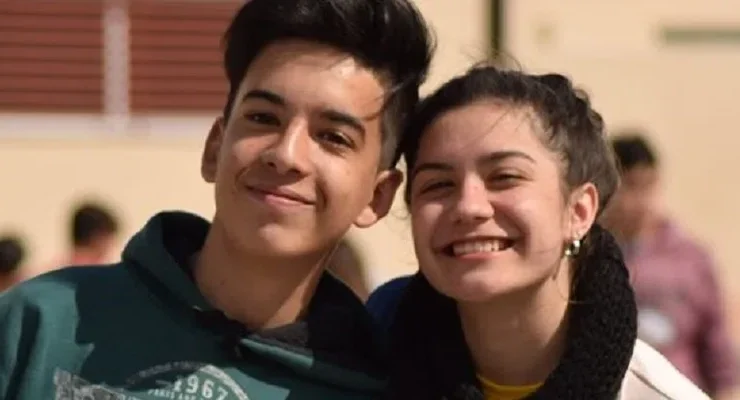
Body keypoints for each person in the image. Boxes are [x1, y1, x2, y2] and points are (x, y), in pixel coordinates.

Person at [0, 0, 434, 398]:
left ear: (377, 197)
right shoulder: (39, 323)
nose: (286, 154)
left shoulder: (383, 389)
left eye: (333, 137)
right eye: (263, 117)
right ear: (214, 148)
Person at [367, 66, 710, 399]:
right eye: (439, 184)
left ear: (579, 211)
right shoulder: (358, 362)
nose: (468, 206)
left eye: (504, 177)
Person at [602, 133, 739, 399]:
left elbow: (717, 348)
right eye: (630, 186)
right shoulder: (591, 258)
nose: (640, 200)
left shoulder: (690, 259)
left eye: (648, 185)